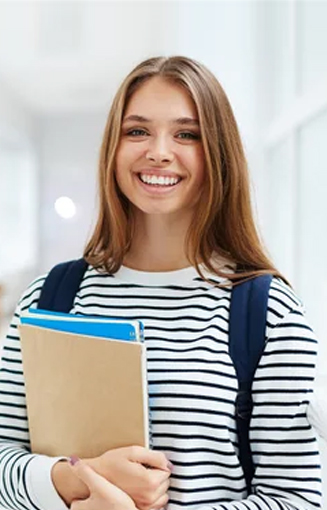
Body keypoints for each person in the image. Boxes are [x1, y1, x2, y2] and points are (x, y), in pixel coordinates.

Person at [0, 56, 322, 510]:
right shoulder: (50, 298)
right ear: (113, 147)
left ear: (218, 153)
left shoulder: (267, 312)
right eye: (137, 131)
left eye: (186, 134)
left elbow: (297, 499)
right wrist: (70, 481)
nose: (159, 151)